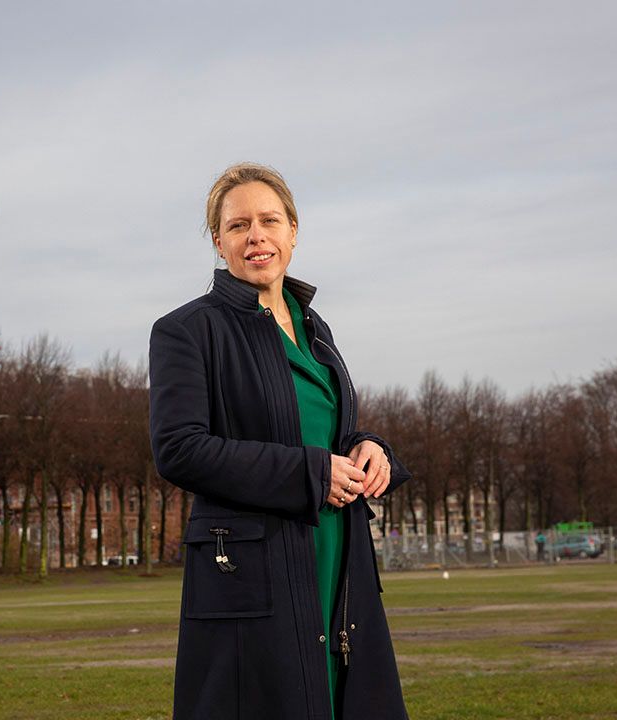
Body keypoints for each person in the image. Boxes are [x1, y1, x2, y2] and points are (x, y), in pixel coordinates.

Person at [149, 163, 411, 720]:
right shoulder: (185, 331)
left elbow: (323, 427)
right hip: (253, 569)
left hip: (339, 552)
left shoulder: (316, 327)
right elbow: (179, 448)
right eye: (239, 225)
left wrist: (370, 447)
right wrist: (311, 473)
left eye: (269, 220)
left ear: (293, 231)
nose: (256, 235)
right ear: (219, 242)